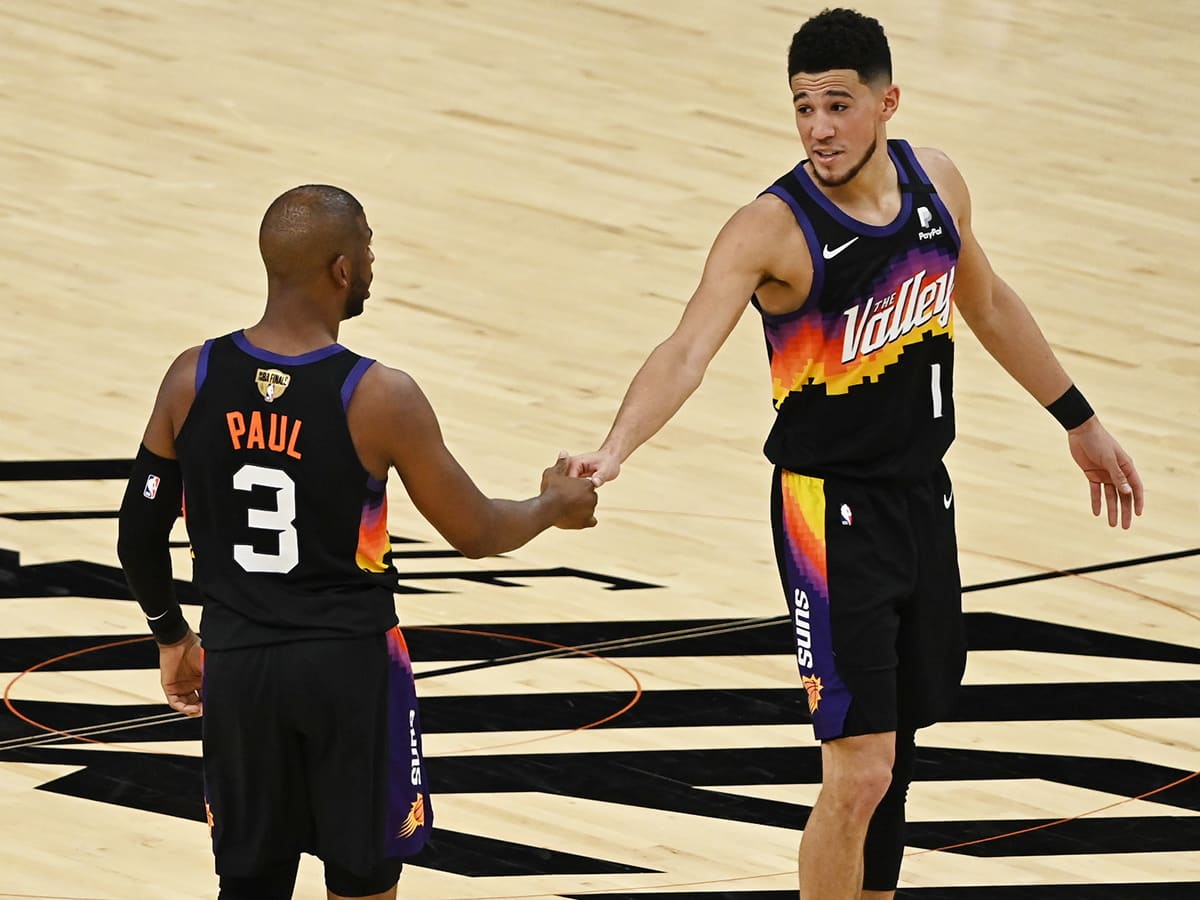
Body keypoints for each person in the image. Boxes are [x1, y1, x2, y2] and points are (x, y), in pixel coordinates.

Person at [566, 8, 1144, 899]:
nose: (819, 128)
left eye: (837, 105)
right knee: (860, 769)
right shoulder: (771, 227)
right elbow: (685, 351)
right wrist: (615, 450)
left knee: (896, 758)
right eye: (803, 107)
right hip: (828, 514)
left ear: (886, 103)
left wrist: (1078, 418)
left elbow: (988, 303)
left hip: (924, 499)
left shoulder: (936, 184)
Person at [117, 184, 599, 900]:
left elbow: (137, 535)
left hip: (240, 670)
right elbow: (476, 532)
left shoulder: (194, 376)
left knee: (249, 887)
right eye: (368, 246)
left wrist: (170, 637)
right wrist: (553, 504)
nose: (373, 262)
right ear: (342, 269)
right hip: (349, 671)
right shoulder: (378, 395)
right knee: (362, 886)